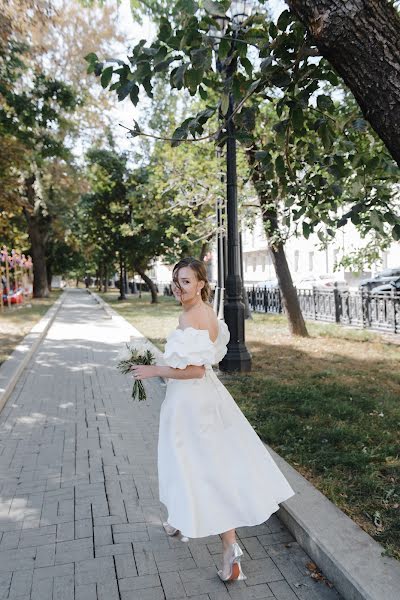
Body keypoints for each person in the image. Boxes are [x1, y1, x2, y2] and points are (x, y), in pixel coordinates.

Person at [130, 257, 295, 582]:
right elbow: (195, 360)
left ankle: (230, 547)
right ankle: (180, 520)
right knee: (195, 465)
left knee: (199, 469)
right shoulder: (201, 313)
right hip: (204, 399)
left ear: (202, 284)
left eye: (187, 281)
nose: (179, 287)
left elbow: (194, 370)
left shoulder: (195, 317)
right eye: (176, 281)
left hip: (191, 404)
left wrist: (153, 370)